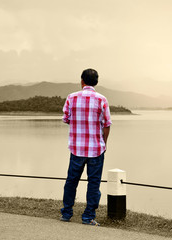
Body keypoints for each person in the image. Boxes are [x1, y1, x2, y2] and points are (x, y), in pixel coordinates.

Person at [61, 68, 112, 226]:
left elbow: (66, 119)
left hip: (77, 148)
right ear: (96, 82)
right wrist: (104, 142)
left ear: (82, 81)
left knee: (71, 181)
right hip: (96, 149)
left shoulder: (72, 97)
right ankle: (88, 216)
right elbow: (107, 124)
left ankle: (67, 213)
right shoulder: (102, 99)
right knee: (94, 183)